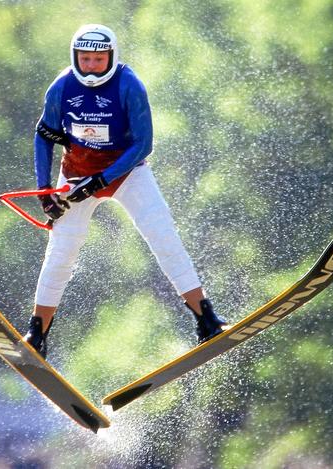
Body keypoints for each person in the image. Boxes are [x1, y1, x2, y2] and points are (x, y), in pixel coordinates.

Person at [24, 24, 229, 358]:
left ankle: (206, 319)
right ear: (76, 58)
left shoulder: (129, 85)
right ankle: (37, 333)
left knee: (163, 235)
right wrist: (44, 189)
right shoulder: (60, 87)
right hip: (76, 173)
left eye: (98, 59)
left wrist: (102, 179)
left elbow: (144, 145)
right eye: (85, 59)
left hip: (126, 171)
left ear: (112, 57)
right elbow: (44, 135)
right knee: (62, 250)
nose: (90, 66)